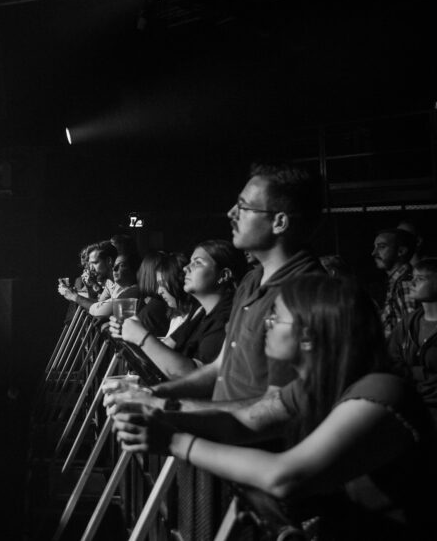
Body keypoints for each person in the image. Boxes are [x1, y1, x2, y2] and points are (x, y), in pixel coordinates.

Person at [110, 275, 434, 540]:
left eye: (276, 316)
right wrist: (158, 412)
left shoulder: (379, 390)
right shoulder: (315, 386)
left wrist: (173, 441)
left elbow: (285, 476)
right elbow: (243, 421)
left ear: (307, 336)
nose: (266, 323)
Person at [146, 161, 324, 410]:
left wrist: (172, 409)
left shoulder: (310, 295)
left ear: (280, 222)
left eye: (243, 207)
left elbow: (280, 407)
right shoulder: (252, 279)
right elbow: (221, 367)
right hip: (221, 432)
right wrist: (153, 393)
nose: (231, 213)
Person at [110, 239, 245, 380]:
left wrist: (142, 336)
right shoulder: (199, 313)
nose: (186, 268)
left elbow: (195, 376)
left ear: (223, 275)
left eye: (197, 262)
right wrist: (128, 335)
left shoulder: (228, 318)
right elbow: (164, 352)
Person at [389, 256, 437, 428]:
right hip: (414, 409)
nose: (413, 283)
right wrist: (423, 374)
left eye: (421, 278)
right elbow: (391, 361)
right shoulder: (409, 324)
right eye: (413, 278)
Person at [373, 227, 421, 338]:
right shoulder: (396, 281)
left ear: (401, 251)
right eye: (375, 247)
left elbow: (411, 332)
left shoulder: (405, 283)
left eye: (381, 247)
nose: (374, 253)